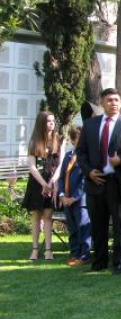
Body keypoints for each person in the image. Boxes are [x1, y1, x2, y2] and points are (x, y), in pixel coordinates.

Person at [77, 87, 121, 272]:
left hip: (119, 182)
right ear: (102, 102)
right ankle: (100, 261)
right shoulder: (90, 125)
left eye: (117, 100)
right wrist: (88, 172)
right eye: (109, 100)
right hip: (96, 182)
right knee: (98, 225)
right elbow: (81, 152)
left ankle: (120, 262)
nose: (113, 103)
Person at [21, 111, 61, 261]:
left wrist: (51, 183)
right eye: (48, 121)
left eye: (53, 121)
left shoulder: (59, 140)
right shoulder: (33, 142)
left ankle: (48, 250)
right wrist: (44, 184)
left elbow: (61, 164)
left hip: (52, 182)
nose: (51, 123)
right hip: (36, 184)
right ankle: (35, 249)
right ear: (41, 123)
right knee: (36, 217)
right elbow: (32, 166)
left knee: (48, 216)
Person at [57, 125, 91, 266]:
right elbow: (61, 177)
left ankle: (84, 256)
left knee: (83, 227)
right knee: (72, 229)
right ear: (72, 141)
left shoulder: (87, 157)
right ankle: (74, 253)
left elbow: (85, 179)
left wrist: (74, 197)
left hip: (80, 200)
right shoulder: (68, 156)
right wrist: (62, 195)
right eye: (77, 139)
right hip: (67, 199)